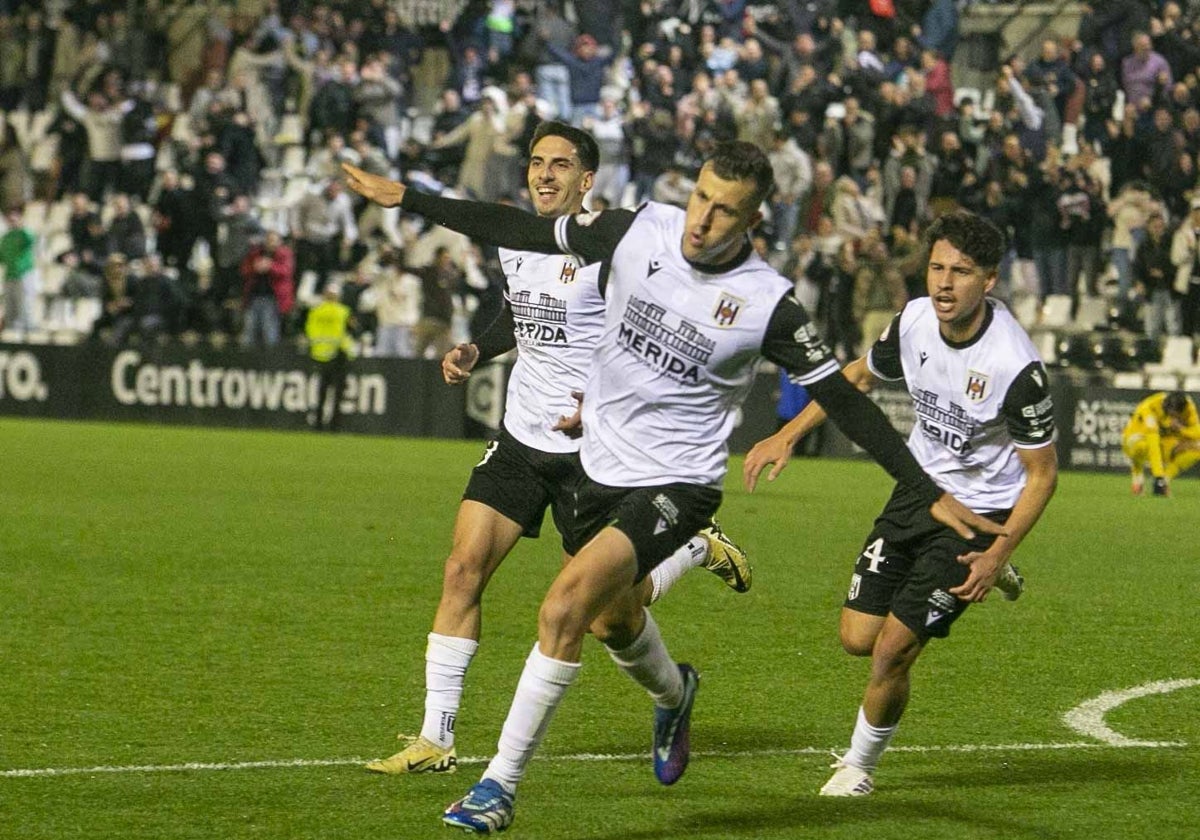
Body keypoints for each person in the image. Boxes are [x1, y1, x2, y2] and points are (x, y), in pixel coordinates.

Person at [344, 143, 1001, 834]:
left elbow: (845, 398)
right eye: (700, 198)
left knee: (562, 606)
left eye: (724, 211)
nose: (703, 219)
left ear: (753, 220)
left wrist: (924, 487)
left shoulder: (767, 304)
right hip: (598, 460)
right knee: (612, 619)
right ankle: (675, 686)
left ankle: (497, 786)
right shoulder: (638, 231)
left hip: (677, 483)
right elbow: (522, 231)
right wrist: (410, 199)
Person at [358, 122, 751, 779]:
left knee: (611, 621)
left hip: (596, 456)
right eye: (537, 163)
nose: (545, 175)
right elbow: (521, 310)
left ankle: (676, 662)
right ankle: (436, 739)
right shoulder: (518, 240)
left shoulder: (614, 244)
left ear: (587, 180)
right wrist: (477, 348)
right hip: (521, 438)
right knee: (462, 568)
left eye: (561, 165)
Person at [743, 211, 1058, 797]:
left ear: (988, 281)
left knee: (892, 649)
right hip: (917, 495)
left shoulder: (1016, 366)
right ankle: (1001, 563)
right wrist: (787, 433)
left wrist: (995, 549)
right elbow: (857, 377)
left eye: (960, 272)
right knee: (858, 638)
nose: (943, 283)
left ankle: (858, 767)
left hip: (977, 519)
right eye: (936, 267)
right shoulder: (913, 320)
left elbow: (1042, 476)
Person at [1122, 391, 1200, 496]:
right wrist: (1158, 475)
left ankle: (1165, 480)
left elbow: (1197, 433)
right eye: (1171, 414)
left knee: (1197, 448)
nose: (1172, 418)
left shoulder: (1188, 407)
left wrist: (1181, 431)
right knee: (1141, 446)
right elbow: (1153, 442)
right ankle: (1138, 478)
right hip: (1137, 437)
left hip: (1164, 441)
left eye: (1175, 415)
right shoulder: (1150, 407)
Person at [305, 282, 354, 432]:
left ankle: (318, 424)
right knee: (337, 394)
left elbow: (309, 330)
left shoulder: (316, 311)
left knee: (322, 392)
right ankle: (335, 426)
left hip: (320, 355)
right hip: (339, 355)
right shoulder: (343, 311)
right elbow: (352, 330)